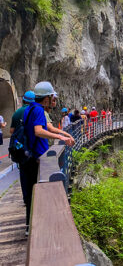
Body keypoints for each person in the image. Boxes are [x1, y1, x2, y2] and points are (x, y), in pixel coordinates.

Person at [22, 81, 74, 236]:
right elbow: (38, 131)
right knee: (43, 190)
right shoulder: (38, 110)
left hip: (32, 156)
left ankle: (31, 225)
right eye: (52, 97)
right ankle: (43, 228)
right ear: (46, 99)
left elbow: (48, 127)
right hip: (38, 157)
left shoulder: (30, 108)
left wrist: (65, 134)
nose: (53, 100)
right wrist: (60, 136)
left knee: (33, 192)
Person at [9, 91, 36, 205]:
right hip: (33, 147)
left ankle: (26, 199)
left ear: (23, 100)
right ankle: (35, 197)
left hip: (21, 149)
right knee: (35, 172)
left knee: (24, 173)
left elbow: (11, 131)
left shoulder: (17, 113)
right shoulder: (35, 111)